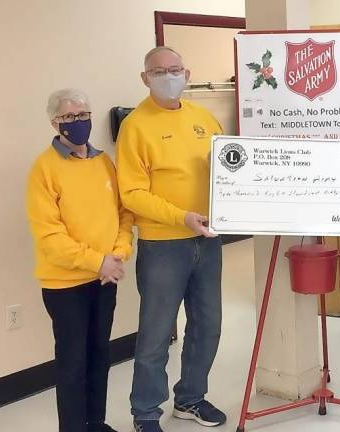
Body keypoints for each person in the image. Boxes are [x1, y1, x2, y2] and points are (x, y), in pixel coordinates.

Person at [116, 46, 225, 432]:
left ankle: (191, 398)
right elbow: (132, 193)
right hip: (164, 244)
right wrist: (182, 217)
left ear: (187, 72)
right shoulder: (136, 125)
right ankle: (145, 412)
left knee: (208, 324)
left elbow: (228, 168)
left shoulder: (203, 117)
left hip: (208, 240)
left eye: (175, 69)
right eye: (158, 71)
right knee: (157, 332)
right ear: (145, 78)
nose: (168, 75)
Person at [26, 88, 133, 432]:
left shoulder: (104, 161)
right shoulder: (44, 169)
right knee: (72, 362)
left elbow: (123, 214)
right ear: (55, 122)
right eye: (70, 117)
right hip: (65, 285)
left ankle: (95, 423)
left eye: (84, 114)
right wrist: (97, 261)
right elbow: (50, 237)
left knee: (99, 354)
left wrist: (117, 254)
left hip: (104, 277)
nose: (78, 122)